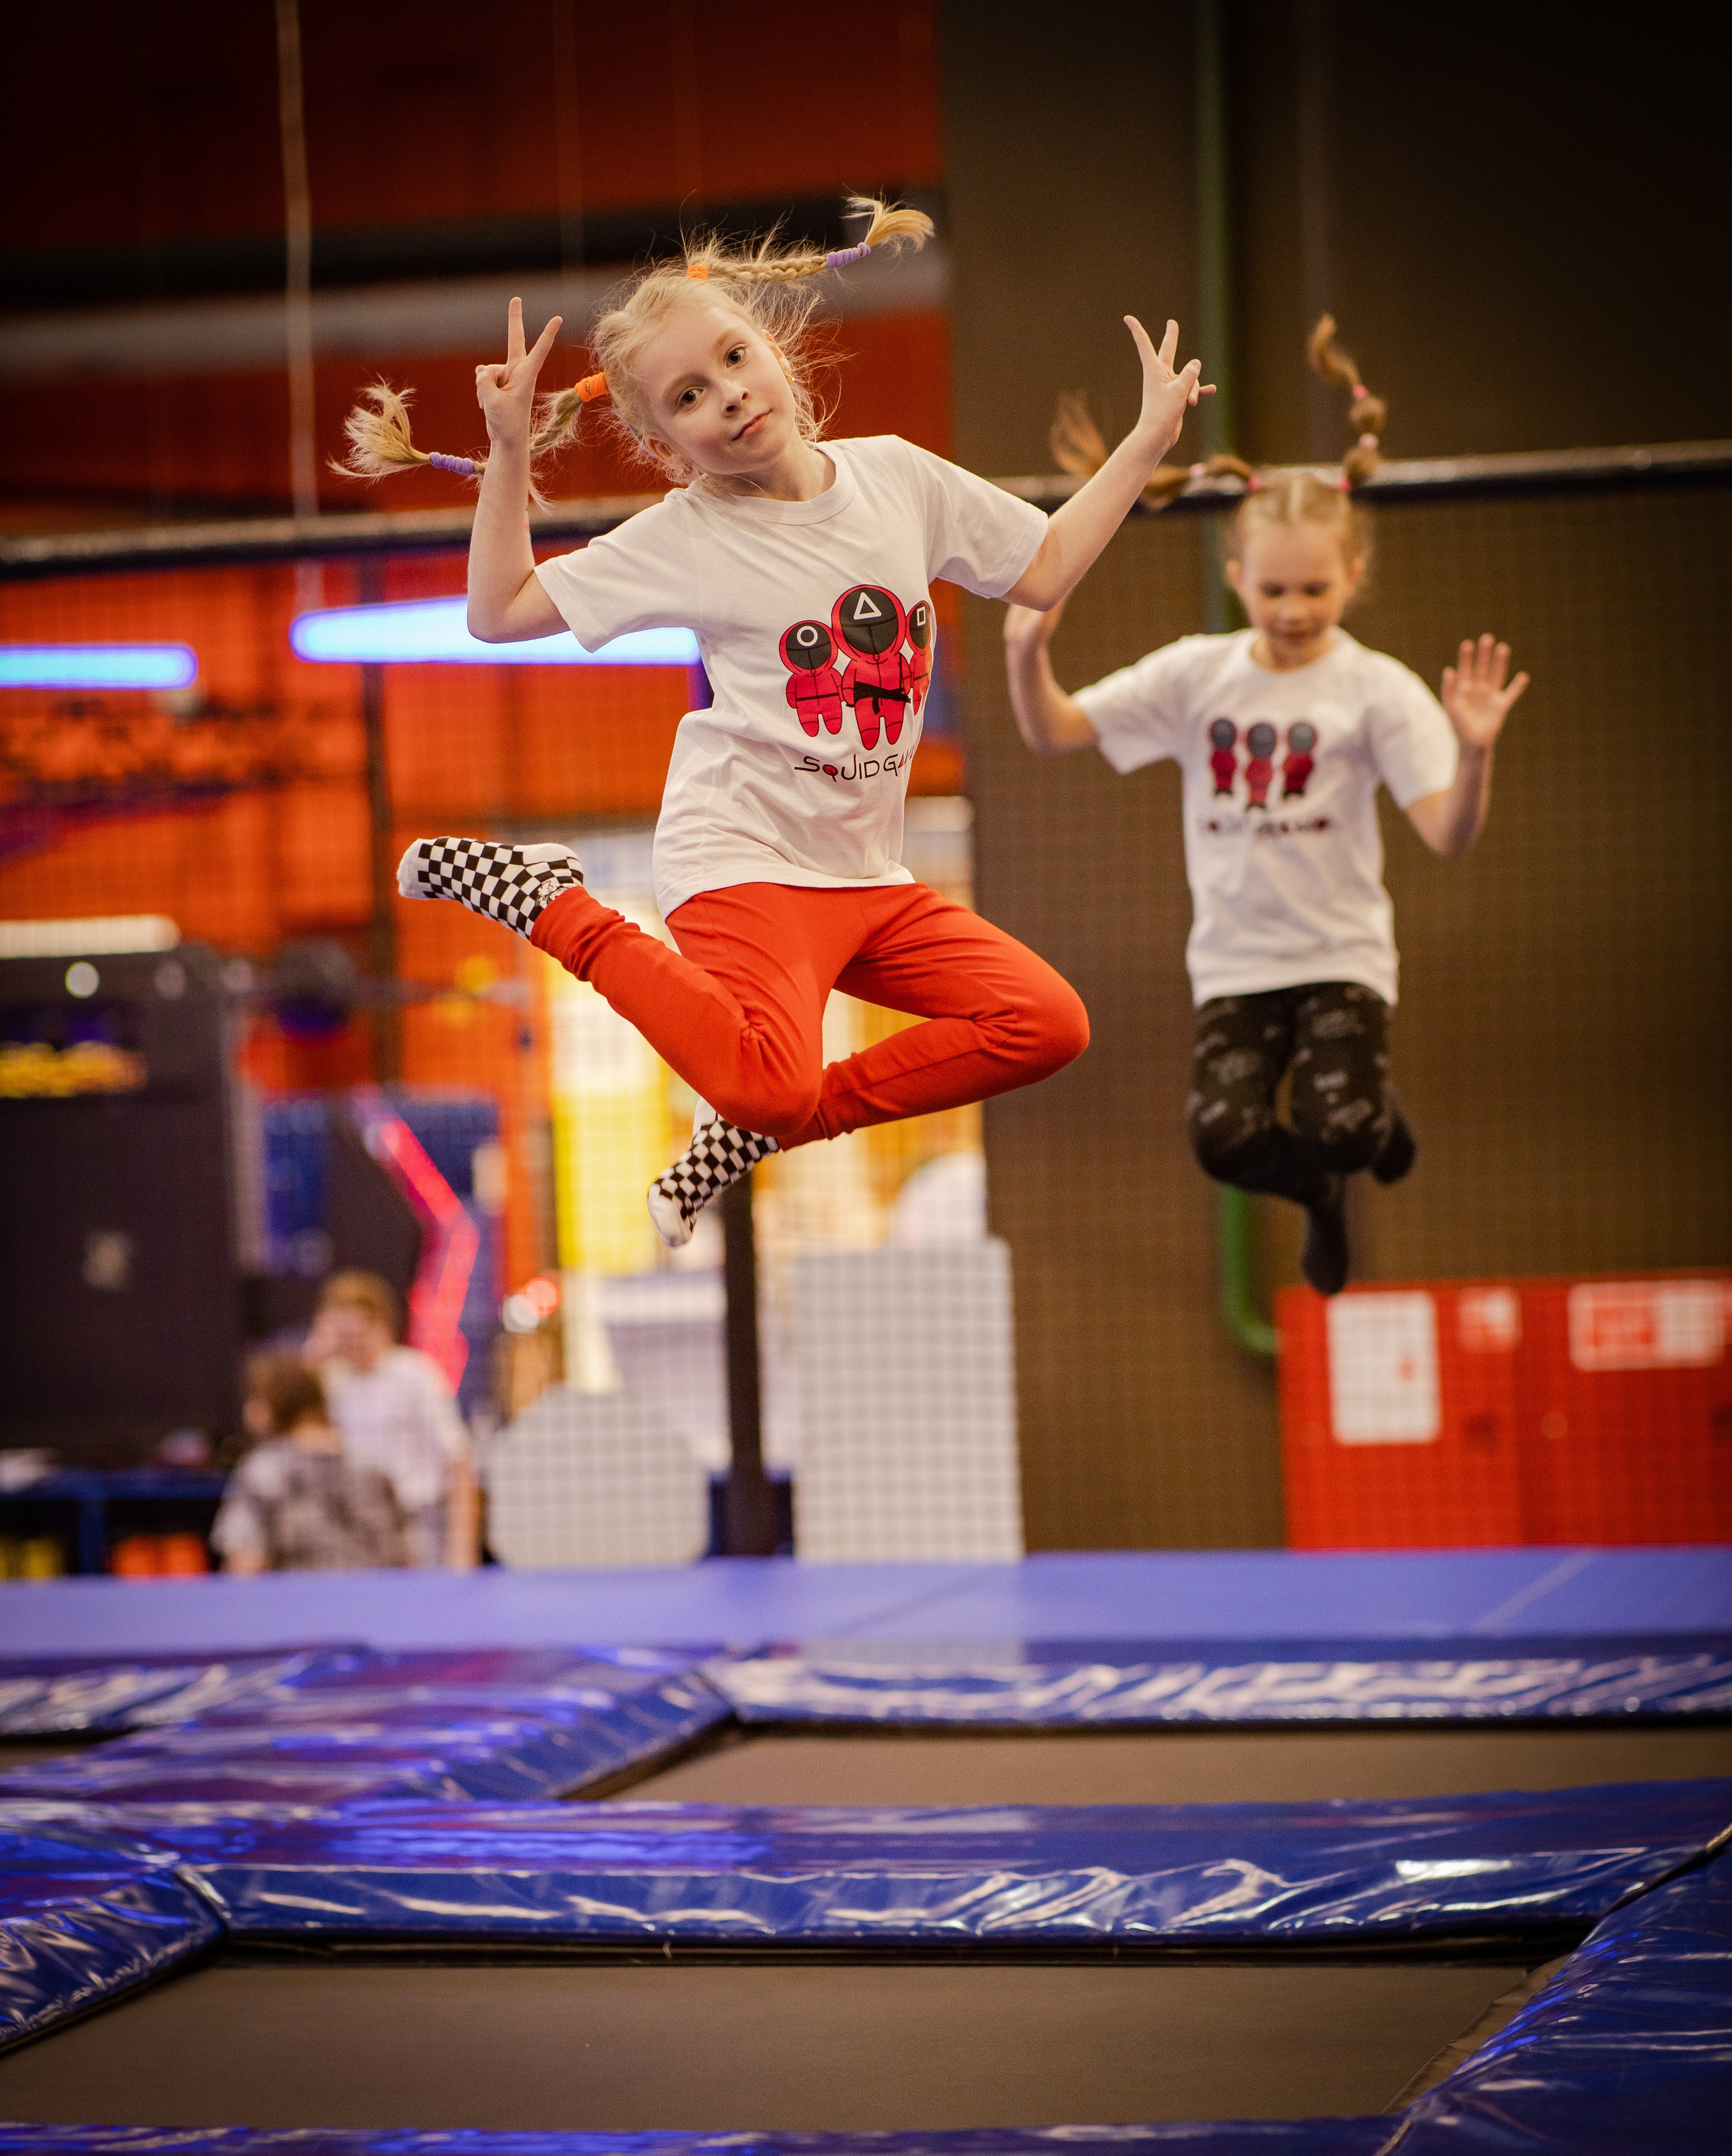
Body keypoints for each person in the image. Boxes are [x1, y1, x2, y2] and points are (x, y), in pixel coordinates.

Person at [336, 199, 1212, 1247]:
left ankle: (768, 1129)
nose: (731, 398)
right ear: (667, 445)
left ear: (779, 352)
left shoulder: (897, 475)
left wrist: (1147, 439)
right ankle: (551, 903)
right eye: (690, 399)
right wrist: (512, 450)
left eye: (736, 360)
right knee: (762, 1079)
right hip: (741, 854)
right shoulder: (688, 532)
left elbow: (1047, 567)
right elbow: (499, 610)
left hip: (865, 873)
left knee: (1044, 1023)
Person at [1001, 318, 1530, 1296]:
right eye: (1274, 587)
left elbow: (1448, 834)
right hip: (1237, 963)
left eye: (1316, 589)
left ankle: (1366, 1124)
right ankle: (1322, 1198)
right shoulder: (1198, 677)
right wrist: (1026, 656)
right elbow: (1056, 732)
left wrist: (1472, 749)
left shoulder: (1374, 689)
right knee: (1224, 1138)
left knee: (1349, 1129)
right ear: (1236, 575)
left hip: (1341, 956)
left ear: (1353, 579)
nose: (1293, 609)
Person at [305, 1270, 478, 1568]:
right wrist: (318, 1350)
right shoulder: (329, 1380)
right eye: (342, 1335)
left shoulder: (415, 1375)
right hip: (356, 1527)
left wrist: (462, 1552)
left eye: (357, 1334)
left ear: (381, 1326)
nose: (351, 1344)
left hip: (417, 1521)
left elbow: (459, 1463)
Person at [212, 1350, 408, 1573]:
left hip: (298, 1605)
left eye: (253, 1399)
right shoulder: (370, 1462)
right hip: (378, 1604)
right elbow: (404, 1557)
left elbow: (247, 1563)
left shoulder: (264, 1469)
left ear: (267, 1407)